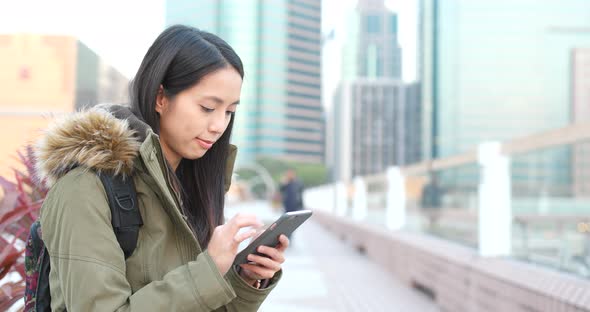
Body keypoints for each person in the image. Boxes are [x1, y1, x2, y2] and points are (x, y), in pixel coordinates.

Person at [35, 25, 288, 311]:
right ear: (161, 97)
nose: (219, 125)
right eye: (207, 107)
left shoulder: (190, 187)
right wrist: (209, 270)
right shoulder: (84, 189)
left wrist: (243, 278)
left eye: (229, 111)